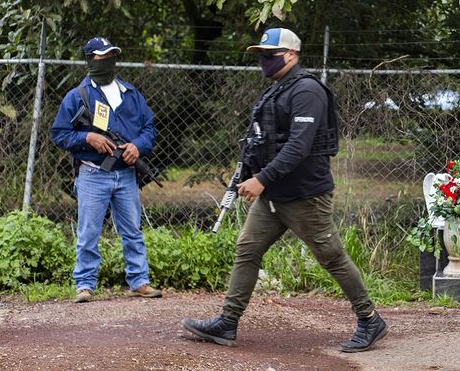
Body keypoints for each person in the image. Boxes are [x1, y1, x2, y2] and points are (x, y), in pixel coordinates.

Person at [181, 27, 388, 352]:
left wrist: (261, 179)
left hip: (305, 195)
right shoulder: (278, 89)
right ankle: (227, 322)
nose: (264, 60)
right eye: (260, 55)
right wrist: (249, 173)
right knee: (247, 249)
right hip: (274, 195)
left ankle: (370, 319)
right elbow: (264, 141)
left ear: (291, 54)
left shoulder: (306, 91)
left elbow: (298, 146)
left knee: (331, 257)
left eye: (270, 54)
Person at [51, 37, 161, 303]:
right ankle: (85, 285)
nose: (108, 60)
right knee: (89, 232)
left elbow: (150, 129)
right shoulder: (77, 97)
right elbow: (59, 134)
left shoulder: (131, 94)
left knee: (132, 230)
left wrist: (138, 146)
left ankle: (139, 281)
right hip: (92, 174)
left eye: (112, 55)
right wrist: (88, 138)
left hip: (125, 174)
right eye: (102, 56)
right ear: (90, 60)